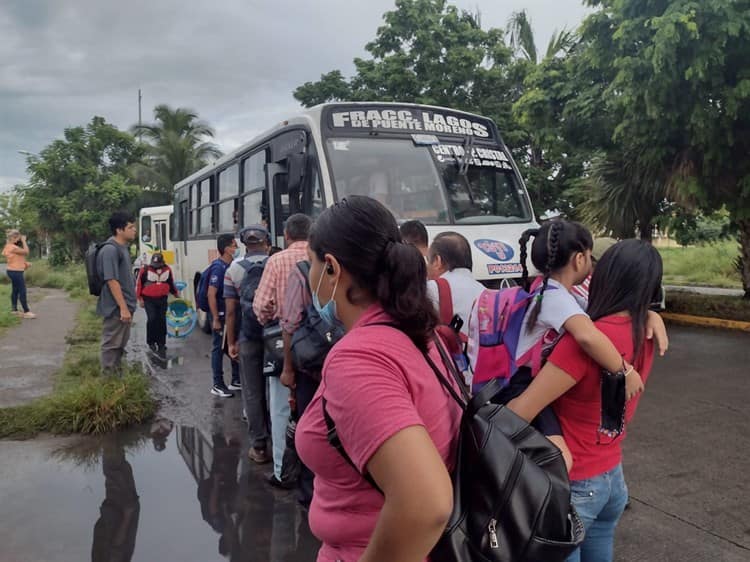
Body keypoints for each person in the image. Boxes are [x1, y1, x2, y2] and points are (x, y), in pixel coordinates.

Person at [296, 196, 462, 562]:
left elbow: (425, 502)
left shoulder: (359, 358)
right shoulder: (416, 333)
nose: (308, 277)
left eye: (309, 264)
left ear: (332, 269)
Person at [508, 239, 663, 562]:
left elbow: (522, 412)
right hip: (611, 479)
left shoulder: (587, 342)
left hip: (573, 484)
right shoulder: (647, 332)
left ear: (604, 277)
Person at [500, 220, 645, 470]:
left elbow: (602, 315)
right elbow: (588, 336)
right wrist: (625, 371)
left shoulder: (551, 291)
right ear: (579, 259)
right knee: (560, 459)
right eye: (589, 256)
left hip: (525, 378)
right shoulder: (557, 298)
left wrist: (650, 315)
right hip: (521, 383)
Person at [254, 213, 313, 489]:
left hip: (283, 343)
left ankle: (282, 472)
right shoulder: (321, 259)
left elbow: (261, 305)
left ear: (287, 235)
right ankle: (313, 472)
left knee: (280, 408)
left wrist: (269, 317)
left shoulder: (276, 261)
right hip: (317, 345)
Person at [224, 225, 271, 465]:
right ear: (267, 243)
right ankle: (280, 441)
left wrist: (231, 342)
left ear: (244, 244)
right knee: (275, 389)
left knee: (252, 392)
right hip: (275, 338)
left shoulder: (233, 269)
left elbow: (231, 311)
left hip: (248, 337)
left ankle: (259, 447)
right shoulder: (276, 263)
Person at [97, 211, 138, 375]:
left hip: (125, 305)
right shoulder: (110, 250)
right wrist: (123, 308)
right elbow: (111, 280)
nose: (134, 230)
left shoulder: (122, 248)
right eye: (131, 227)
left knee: (120, 343)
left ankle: (116, 376)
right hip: (116, 308)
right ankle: (108, 381)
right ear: (119, 230)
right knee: (112, 344)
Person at [426, 231, 484, 336]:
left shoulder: (431, 289)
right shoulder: (485, 292)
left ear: (437, 261)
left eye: (428, 260)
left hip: (448, 351)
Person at [207, 234, 241, 398]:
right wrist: (215, 318)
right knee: (218, 349)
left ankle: (236, 380)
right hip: (220, 315)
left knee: (231, 345)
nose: (236, 248)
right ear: (227, 249)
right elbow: (211, 294)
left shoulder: (231, 266)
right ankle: (217, 384)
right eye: (234, 246)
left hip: (228, 315)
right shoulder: (219, 268)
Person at [135, 252, 178, 354]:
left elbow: (171, 283)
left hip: (162, 299)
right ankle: (151, 342)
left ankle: (162, 343)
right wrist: (140, 299)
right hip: (148, 299)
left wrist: (176, 294)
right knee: (152, 319)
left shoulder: (167, 269)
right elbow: (139, 285)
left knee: (161, 320)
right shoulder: (144, 270)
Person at [2, 229, 35, 318]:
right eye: (18, 238)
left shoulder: (9, 246)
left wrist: (26, 264)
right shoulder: (12, 247)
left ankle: (14, 310)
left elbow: (15, 260)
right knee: (22, 290)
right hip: (15, 272)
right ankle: (26, 312)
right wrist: (24, 241)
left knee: (15, 290)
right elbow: (26, 252)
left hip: (13, 271)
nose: (19, 240)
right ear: (13, 237)